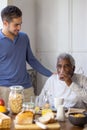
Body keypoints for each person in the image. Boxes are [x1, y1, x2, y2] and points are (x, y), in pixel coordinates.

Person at [0, 5, 52, 106]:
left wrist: (50, 74)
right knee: (7, 121)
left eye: (20, 24)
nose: (19, 28)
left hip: (26, 89)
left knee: (32, 119)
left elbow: (32, 60)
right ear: (5, 23)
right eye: (16, 25)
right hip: (4, 90)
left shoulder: (24, 37)